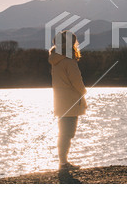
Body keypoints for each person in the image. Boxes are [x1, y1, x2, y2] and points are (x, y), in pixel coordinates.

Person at [48, 30, 87, 171]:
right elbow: (77, 81)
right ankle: (63, 163)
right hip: (70, 101)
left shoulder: (55, 60)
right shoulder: (69, 61)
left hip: (60, 100)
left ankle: (63, 162)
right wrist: (83, 92)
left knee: (64, 132)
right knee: (68, 133)